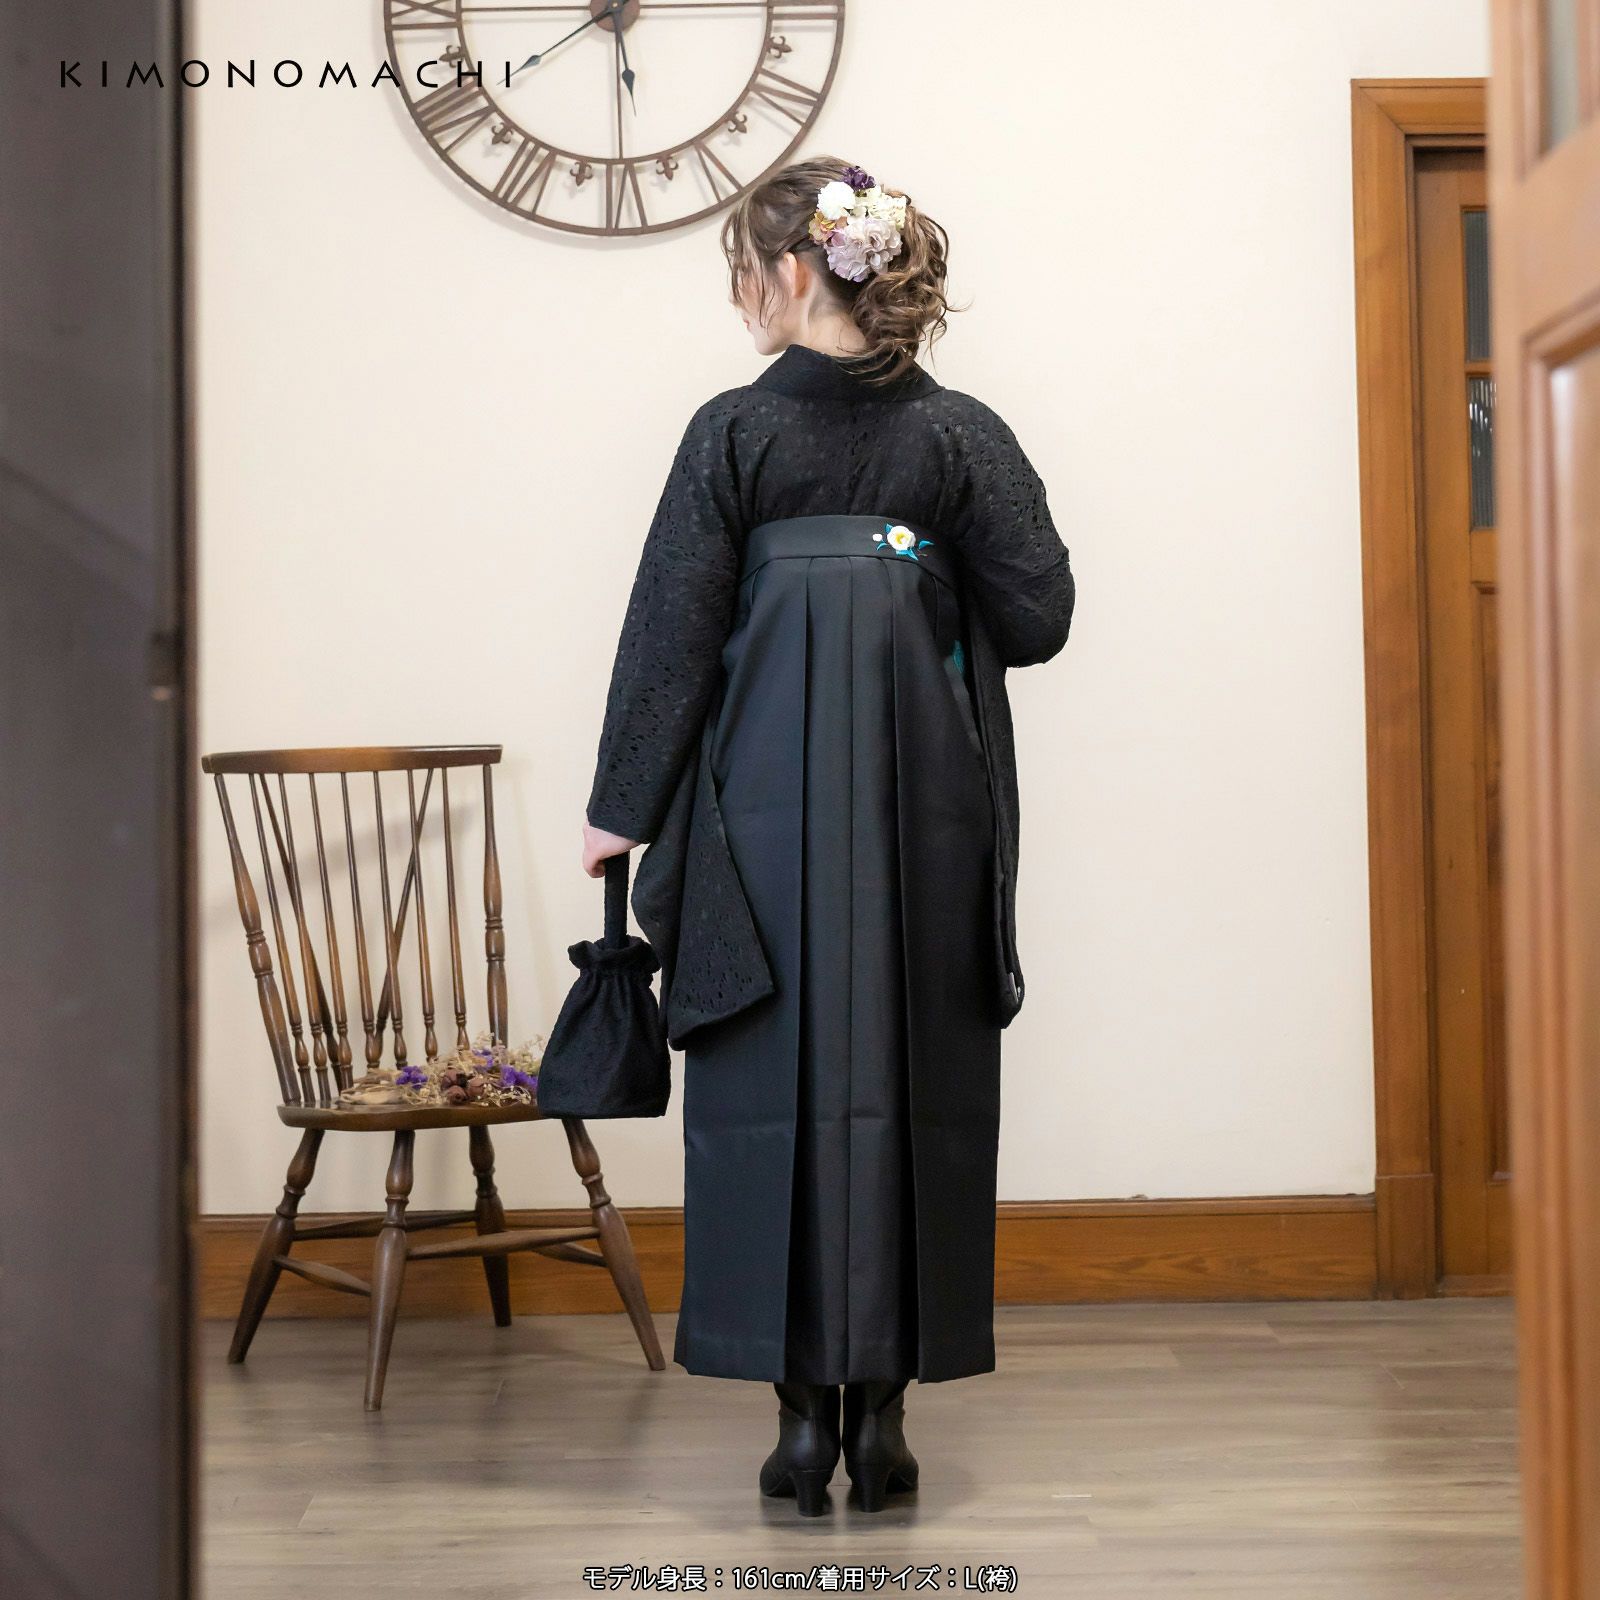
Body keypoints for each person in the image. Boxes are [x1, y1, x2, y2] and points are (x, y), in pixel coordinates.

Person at [580, 155, 1075, 1516]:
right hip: (929, 820)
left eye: (744, 271)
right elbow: (1037, 616)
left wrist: (622, 806)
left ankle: (800, 1432)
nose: (742, 297)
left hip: (759, 822)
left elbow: (672, 633)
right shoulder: (961, 435)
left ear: (793, 273)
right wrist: (911, 557)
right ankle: (886, 1427)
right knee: (917, 1087)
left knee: (767, 1088)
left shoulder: (731, 434)